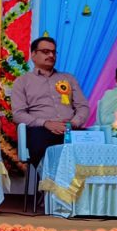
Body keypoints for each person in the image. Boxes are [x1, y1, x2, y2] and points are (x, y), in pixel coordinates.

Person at [9, 36, 90, 165]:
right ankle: (48, 178)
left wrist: (74, 123)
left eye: (53, 52)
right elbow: (18, 114)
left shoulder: (69, 79)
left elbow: (83, 107)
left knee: (93, 142)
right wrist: (46, 123)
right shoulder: (22, 82)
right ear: (33, 55)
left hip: (71, 129)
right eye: (46, 52)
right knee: (40, 142)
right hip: (41, 130)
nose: (51, 55)